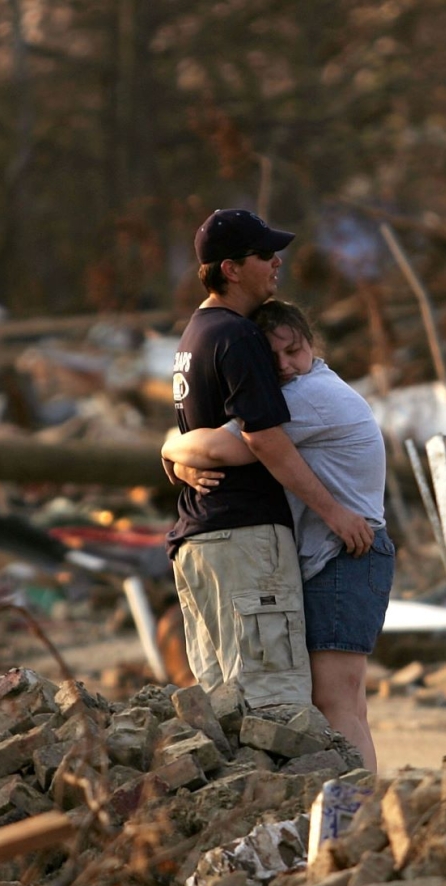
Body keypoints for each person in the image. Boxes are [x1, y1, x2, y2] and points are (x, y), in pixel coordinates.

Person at [162, 300, 393, 771]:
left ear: (313, 346)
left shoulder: (311, 396)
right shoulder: (306, 389)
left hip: (345, 554)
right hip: (331, 554)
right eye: (274, 359)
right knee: (337, 703)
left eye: (295, 352)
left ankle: (358, 811)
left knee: (337, 703)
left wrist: (169, 447)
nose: (286, 366)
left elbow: (221, 447)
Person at [164, 209, 374, 714]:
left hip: (197, 540)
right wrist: (334, 512)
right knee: (274, 707)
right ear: (232, 269)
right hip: (246, 541)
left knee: (226, 707)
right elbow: (264, 439)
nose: (277, 262)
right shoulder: (239, 337)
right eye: (264, 255)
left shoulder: (194, 337)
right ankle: (309, 798)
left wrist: (170, 449)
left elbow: (195, 432)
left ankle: (240, 797)